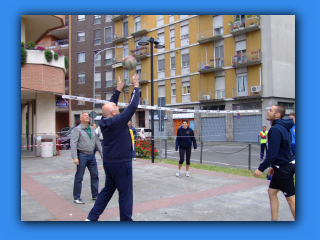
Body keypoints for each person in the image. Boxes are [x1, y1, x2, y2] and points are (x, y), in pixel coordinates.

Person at [86, 74, 140, 221]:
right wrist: (135, 86)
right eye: (116, 107)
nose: (117, 106)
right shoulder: (119, 120)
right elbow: (133, 105)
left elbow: (110, 105)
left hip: (109, 163)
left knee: (107, 190)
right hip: (122, 163)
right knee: (125, 194)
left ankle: (91, 218)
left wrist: (118, 90)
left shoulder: (104, 120)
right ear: (114, 113)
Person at [253, 105, 295, 221]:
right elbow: (282, 149)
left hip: (284, 169)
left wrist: (261, 168)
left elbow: (272, 153)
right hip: (281, 166)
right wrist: (273, 166)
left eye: (270, 110)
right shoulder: (283, 127)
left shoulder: (275, 130)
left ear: (277, 115)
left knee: (291, 199)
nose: (268, 112)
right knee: (272, 192)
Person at [71, 112, 103, 204]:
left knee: (95, 175)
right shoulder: (77, 130)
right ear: (80, 119)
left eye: (88, 116)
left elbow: (97, 142)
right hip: (82, 155)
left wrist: (102, 153)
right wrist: (75, 157)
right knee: (79, 177)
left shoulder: (92, 129)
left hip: (91, 156)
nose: (87, 117)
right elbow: (73, 143)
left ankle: (95, 195)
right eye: (85, 116)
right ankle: (76, 197)